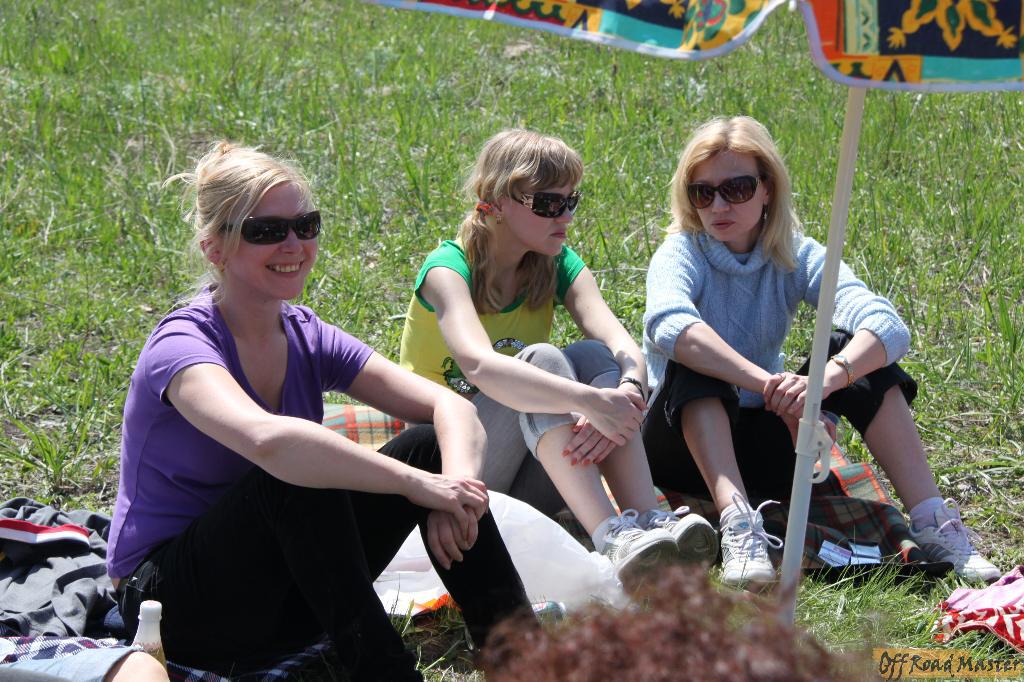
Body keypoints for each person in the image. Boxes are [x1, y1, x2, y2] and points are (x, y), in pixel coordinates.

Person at [105, 142, 531, 681]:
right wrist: (418, 487)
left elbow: (450, 406)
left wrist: (455, 492)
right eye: (266, 230)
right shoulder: (182, 345)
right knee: (298, 472)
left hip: (287, 600)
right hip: (174, 608)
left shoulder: (305, 334)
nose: (294, 244)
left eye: (306, 225)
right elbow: (269, 442)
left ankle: (524, 656)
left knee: (427, 448)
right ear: (215, 248)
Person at [642, 115, 1000, 588]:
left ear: (768, 188)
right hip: (680, 447)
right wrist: (772, 387)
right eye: (702, 192)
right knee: (698, 356)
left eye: (737, 188)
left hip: (767, 441)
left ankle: (933, 520)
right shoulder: (681, 252)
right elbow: (669, 326)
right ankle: (738, 525)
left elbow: (886, 325)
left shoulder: (796, 253)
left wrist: (821, 385)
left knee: (854, 353)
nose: (719, 205)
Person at [399, 129, 717, 584]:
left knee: (594, 356)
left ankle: (650, 525)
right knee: (544, 359)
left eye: (572, 201)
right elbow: (479, 365)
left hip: (530, 479)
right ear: (498, 202)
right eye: (549, 203)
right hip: (452, 472)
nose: (565, 216)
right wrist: (587, 402)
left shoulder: (555, 261)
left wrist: (627, 388)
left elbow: (621, 343)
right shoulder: (447, 270)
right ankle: (612, 537)